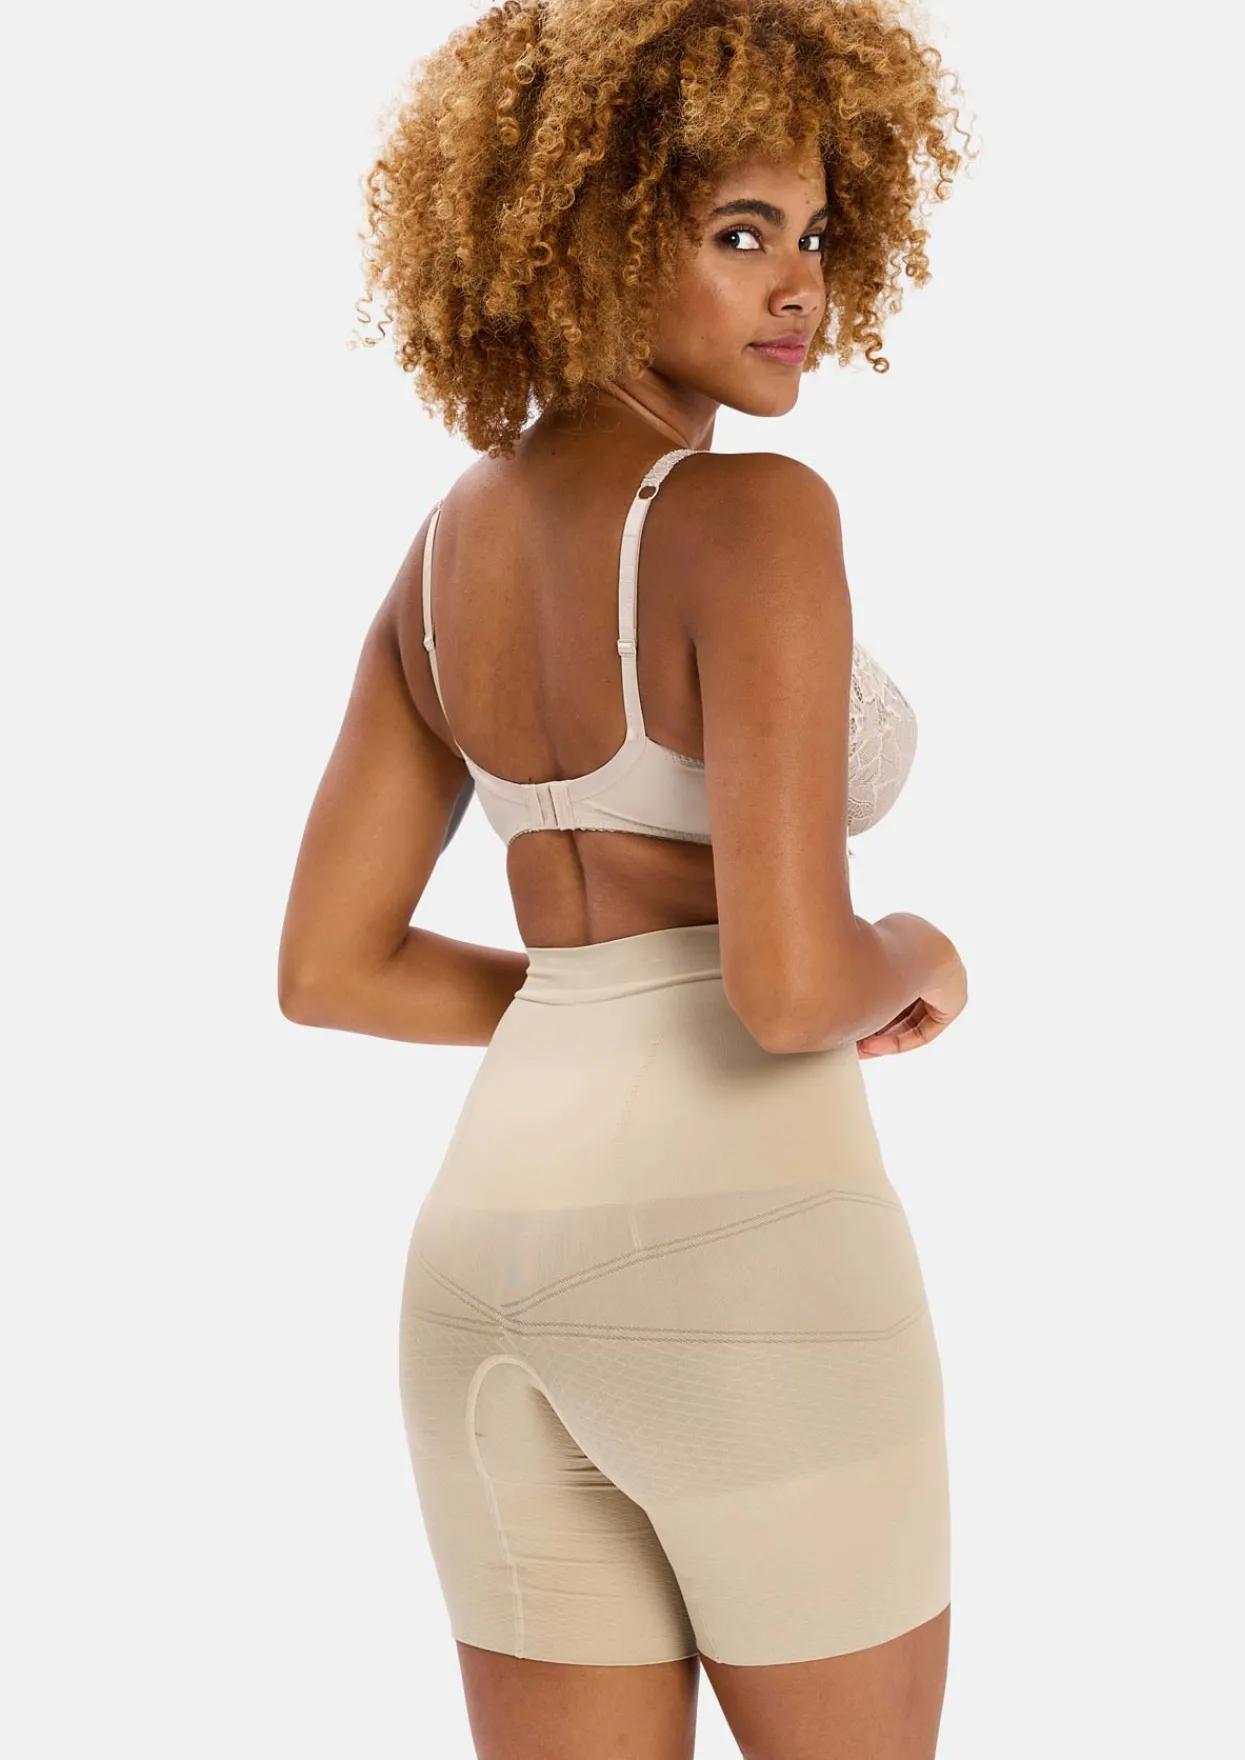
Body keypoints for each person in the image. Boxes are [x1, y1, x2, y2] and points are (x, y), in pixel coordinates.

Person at [279, 2, 971, 1754]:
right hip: (750, 1258)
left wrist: (593, 1004)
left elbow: (333, 967)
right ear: (585, 233)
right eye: (740, 233)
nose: (800, 284)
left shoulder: (444, 554)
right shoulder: (756, 516)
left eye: (814, 233)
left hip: (477, 1271)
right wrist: (918, 946)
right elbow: (790, 988)